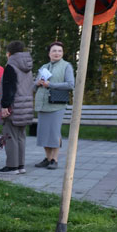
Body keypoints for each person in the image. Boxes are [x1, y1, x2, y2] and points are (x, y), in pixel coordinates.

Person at [34, 41, 75, 170]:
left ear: (62, 53)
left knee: (54, 133)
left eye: (59, 51)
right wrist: (38, 83)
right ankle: (47, 158)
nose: (57, 53)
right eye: (54, 51)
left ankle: (54, 159)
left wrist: (50, 85)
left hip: (57, 105)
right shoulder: (44, 67)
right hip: (43, 104)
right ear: (49, 53)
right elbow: (34, 86)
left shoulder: (66, 66)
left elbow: (70, 85)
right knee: (44, 133)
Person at [0, 41, 33, 174]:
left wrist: (5, 106)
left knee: (10, 135)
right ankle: (20, 165)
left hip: (14, 106)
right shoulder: (28, 67)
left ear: (8, 53)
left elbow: (9, 88)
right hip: (26, 106)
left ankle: (12, 166)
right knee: (21, 136)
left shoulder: (11, 66)